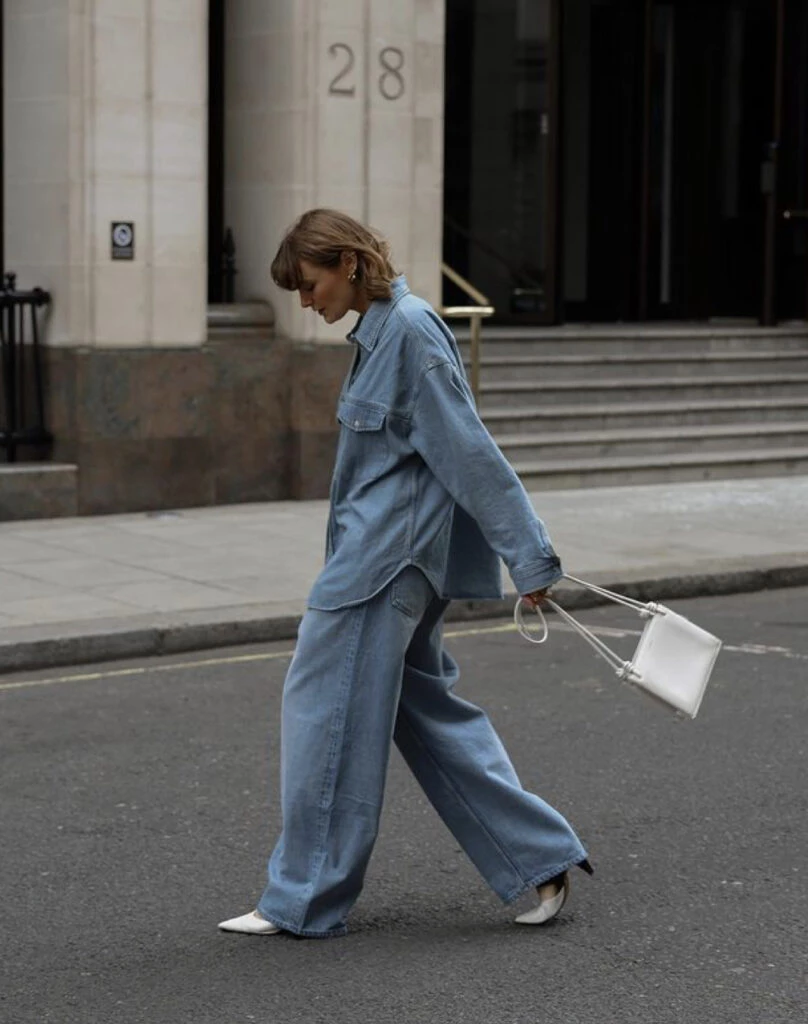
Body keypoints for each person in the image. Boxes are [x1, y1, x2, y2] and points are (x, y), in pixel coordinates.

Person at [219, 208, 592, 939]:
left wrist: (530, 555)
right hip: (390, 562)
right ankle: (539, 858)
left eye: (309, 282)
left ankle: (303, 898)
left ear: (350, 263)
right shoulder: (383, 331)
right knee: (425, 716)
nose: (304, 300)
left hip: (380, 570)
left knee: (322, 719)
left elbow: (469, 453)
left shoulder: (411, 332)